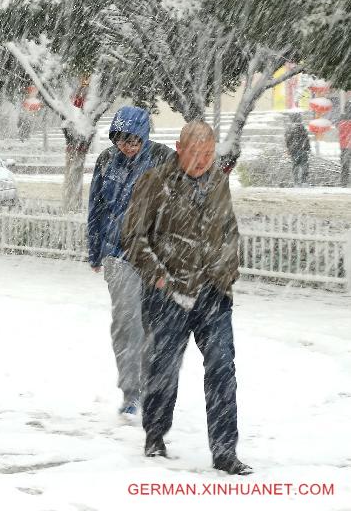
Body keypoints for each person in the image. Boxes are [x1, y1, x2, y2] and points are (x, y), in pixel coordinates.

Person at [121, 122, 252, 475]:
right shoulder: (155, 182)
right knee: (164, 368)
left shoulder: (219, 183)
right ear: (179, 148)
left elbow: (230, 232)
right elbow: (133, 237)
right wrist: (161, 278)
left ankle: (225, 451)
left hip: (213, 293)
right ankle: (155, 434)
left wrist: (228, 273)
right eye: (195, 153)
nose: (202, 161)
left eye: (208, 154)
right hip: (168, 295)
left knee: (223, 368)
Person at [87, 106, 173, 416]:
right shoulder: (107, 161)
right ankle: (130, 391)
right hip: (118, 254)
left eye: (134, 141)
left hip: (155, 255)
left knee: (152, 323)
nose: (128, 147)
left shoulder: (164, 159)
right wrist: (95, 249)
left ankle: (152, 386)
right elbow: (96, 206)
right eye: (122, 141)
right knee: (126, 321)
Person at [284, 112, 310, 186]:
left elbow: (287, 140)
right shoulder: (302, 127)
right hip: (302, 149)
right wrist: (307, 148)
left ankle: (296, 181)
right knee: (304, 165)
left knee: (295, 165)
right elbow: (306, 139)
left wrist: (289, 149)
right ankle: (304, 181)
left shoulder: (289, 129)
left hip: (294, 150)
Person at [337, 102, 351, 187]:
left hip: (344, 145)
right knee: (345, 164)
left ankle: (343, 182)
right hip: (349, 143)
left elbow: (341, 131)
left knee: (344, 165)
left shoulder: (341, 119)